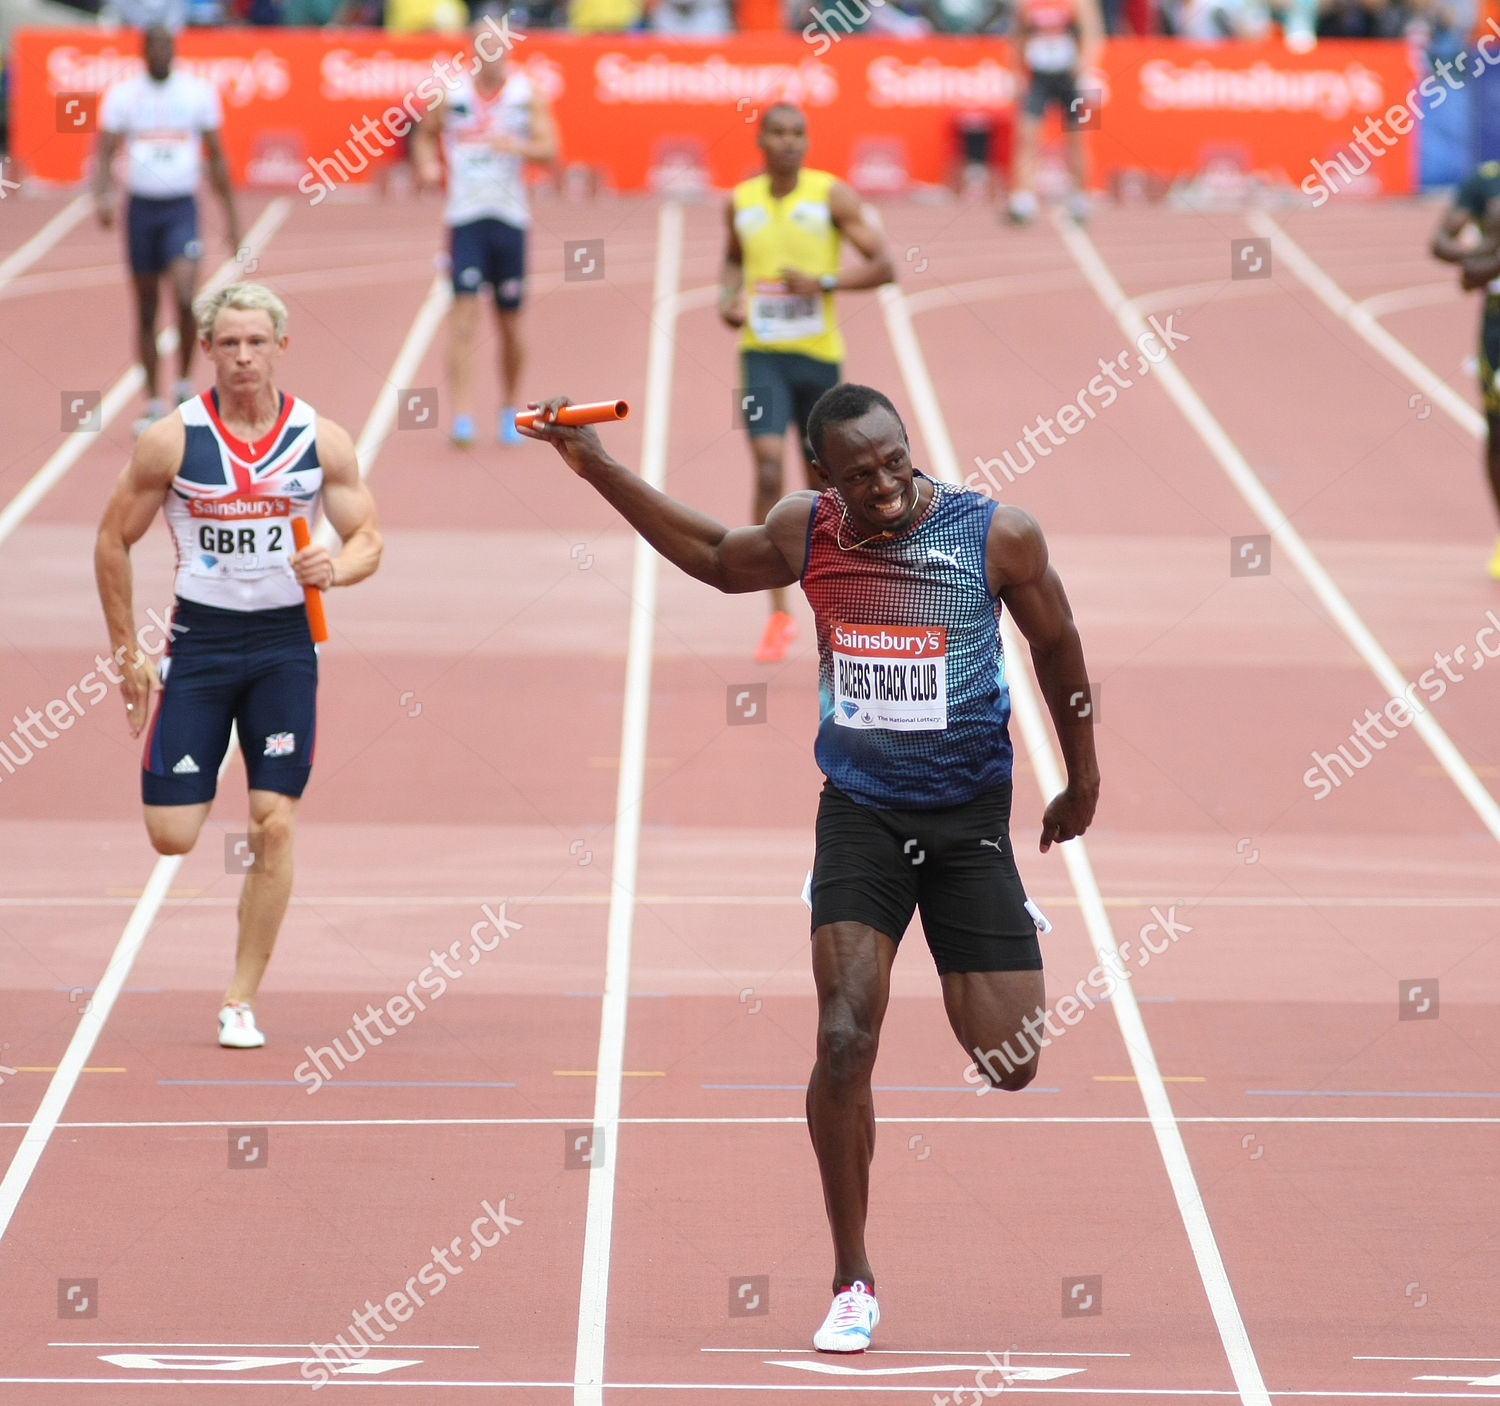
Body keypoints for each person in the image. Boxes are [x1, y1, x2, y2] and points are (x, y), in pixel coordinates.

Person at [521, 382, 1099, 1352]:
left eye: (895, 462)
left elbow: (1059, 646)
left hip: (968, 823)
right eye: (859, 471)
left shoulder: (996, 536)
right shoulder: (810, 529)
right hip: (861, 815)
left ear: (912, 449)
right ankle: (852, 1276)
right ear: (823, 475)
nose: (882, 485)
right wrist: (599, 468)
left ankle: (996, 922)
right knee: (842, 1035)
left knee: (1011, 1062)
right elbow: (713, 556)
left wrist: (1081, 782)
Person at [94, 282, 382, 1049]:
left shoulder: (322, 440)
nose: (245, 356)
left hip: (286, 648)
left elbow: (369, 540)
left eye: (257, 342)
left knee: (273, 824)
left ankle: (239, 999)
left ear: (281, 346)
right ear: (207, 350)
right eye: (230, 343)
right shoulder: (172, 440)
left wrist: (336, 568)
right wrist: (128, 654)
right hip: (202, 645)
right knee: (173, 836)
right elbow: (111, 541)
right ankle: (194, 776)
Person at [719, 104, 896, 663]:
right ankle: (775, 611)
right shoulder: (740, 201)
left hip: (818, 361)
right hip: (760, 358)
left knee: (825, 490)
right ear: (760, 139)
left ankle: (836, 598)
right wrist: (730, 300)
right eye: (778, 132)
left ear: (807, 141)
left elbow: (884, 265)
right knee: (768, 467)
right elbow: (730, 263)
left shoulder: (831, 196)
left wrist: (822, 280)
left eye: (798, 133)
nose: (788, 142)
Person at [411, 14, 559, 447]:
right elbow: (424, 134)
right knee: (463, 318)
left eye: (499, 48)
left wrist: (519, 147)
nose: (491, 56)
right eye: (483, 47)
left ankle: (509, 405)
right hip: (465, 219)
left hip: (510, 220)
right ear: (473, 51)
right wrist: (426, 162)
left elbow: (552, 149)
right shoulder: (450, 94)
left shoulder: (525, 96)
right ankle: (461, 415)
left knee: (510, 322)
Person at [95, 24, 241, 437]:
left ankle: (181, 386)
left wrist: (233, 221)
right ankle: (152, 402)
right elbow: (104, 151)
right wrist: (102, 197)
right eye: (154, 47)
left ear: (175, 51)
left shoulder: (196, 93)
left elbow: (218, 156)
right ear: (143, 52)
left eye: (168, 47)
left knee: (183, 295)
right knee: (145, 308)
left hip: (181, 209)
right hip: (140, 211)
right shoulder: (124, 95)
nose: (162, 54)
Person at [1432, 159, 1500, 578]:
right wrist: (1485, 251)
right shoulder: (1486, 181)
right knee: (1498, 434)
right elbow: (1449, 254)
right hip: (1498, 330)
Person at [1004, 0, 1103, 226]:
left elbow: (1092, 33)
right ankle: (1023, 198)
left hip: (1071, 78)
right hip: (1038, 75)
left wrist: (1087, 69)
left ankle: (1080, 197)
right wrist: (1014, 73)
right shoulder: (1025, 3)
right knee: (1026, 134)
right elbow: (1017, 37)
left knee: (1078, 137)